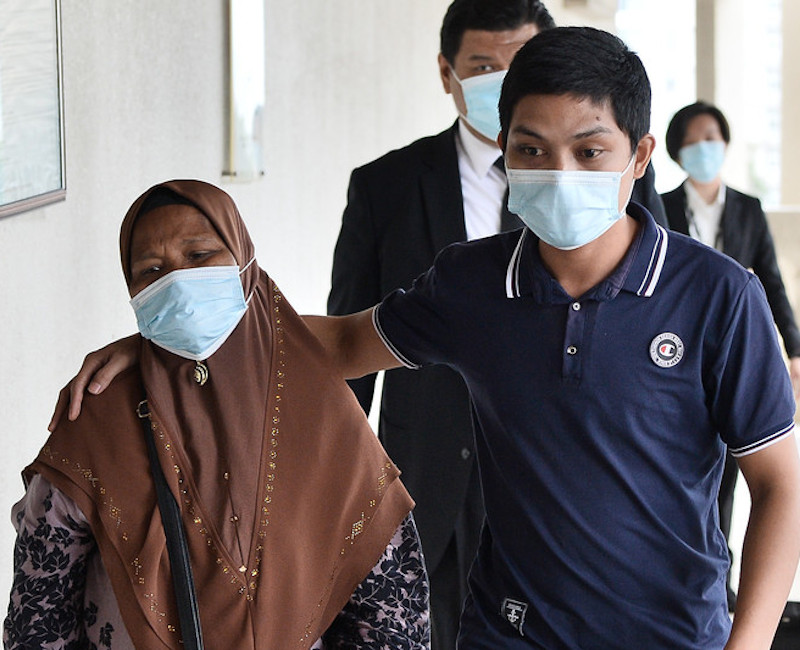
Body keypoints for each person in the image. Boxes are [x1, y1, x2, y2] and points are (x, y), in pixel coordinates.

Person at [50, 28, 800, 648]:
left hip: (675, 635)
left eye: (590, 150)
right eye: (531, 149)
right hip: (510, 633)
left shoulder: (718, 296)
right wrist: (169, 346)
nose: (558, 170)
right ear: (504, 151)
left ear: (639, 157)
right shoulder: (473, 286)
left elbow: (780, 486)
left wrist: (750, 642)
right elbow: (338, 346)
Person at [328, 2, 664, 646]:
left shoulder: (618, 186)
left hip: (570, 485)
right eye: (486, 66)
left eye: (524, 60)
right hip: (425, 472)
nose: (510, 80)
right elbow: (348, 342)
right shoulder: (387, 186)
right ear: (448, 72)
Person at [4, 180, 430, 649]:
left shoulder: (320, 411)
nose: (177, 284)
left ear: (244, 261)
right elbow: (38, 615)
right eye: (152, 270)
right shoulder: (97, 417)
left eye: (199, 256)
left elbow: (390, 608)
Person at [662, 100, 800, 612]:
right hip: (679, 356)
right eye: (695, 140)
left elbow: (770, 281)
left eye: (713, 138)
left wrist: (796, 350)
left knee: (740, 472)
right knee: (695, 470)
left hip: (737, 355)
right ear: (678, 150)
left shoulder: (747, 208)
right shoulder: (663, 205)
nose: (706, 149)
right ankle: (695, 578)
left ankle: (722, 586)